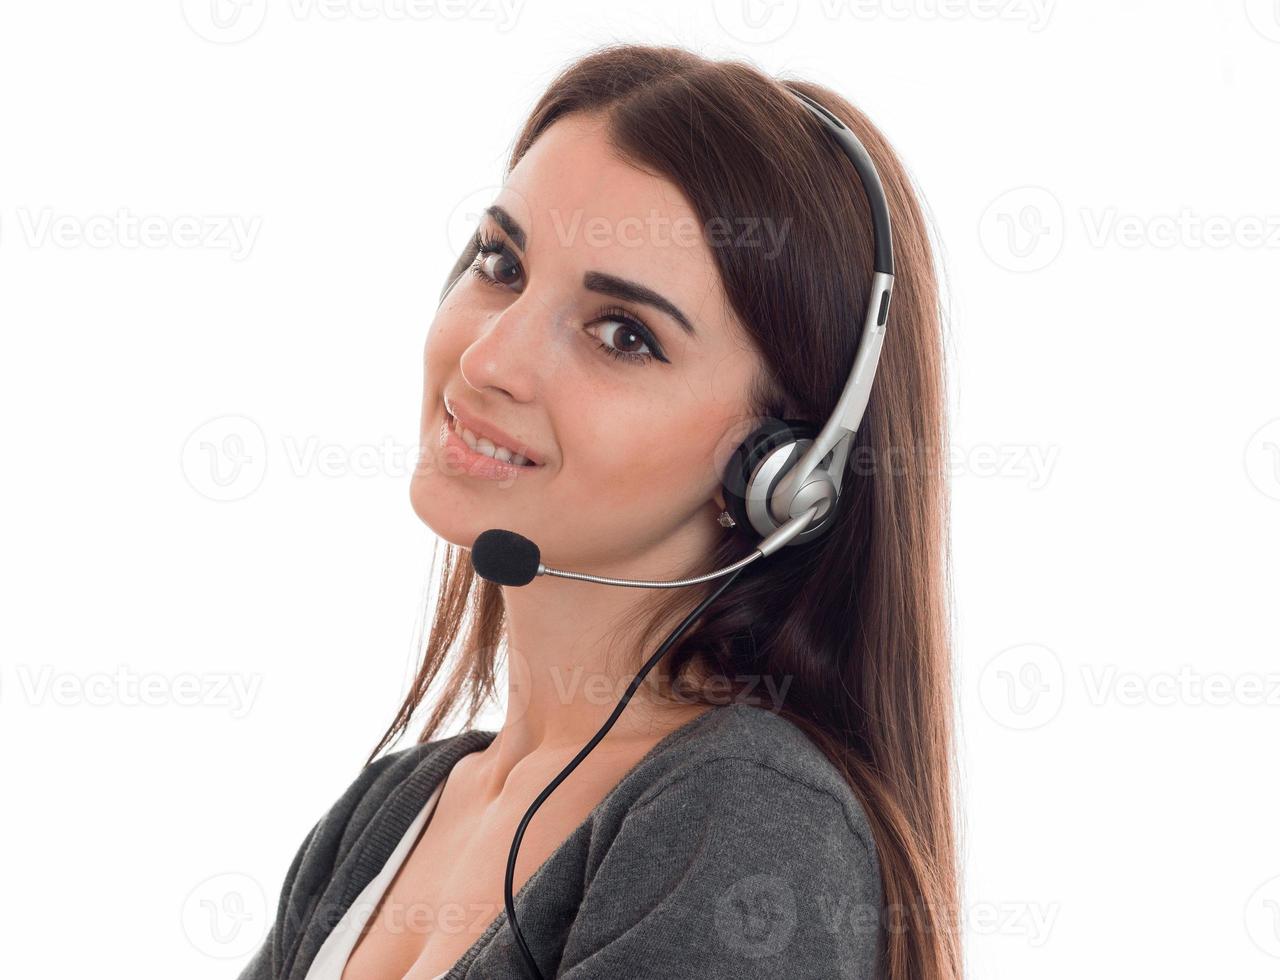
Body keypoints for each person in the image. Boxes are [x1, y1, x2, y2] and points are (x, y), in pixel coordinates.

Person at [238, 41, 959, 980]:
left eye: (622, 335)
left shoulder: (741, 814)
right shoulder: (389, 814)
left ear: (781, 469)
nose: (490, 358)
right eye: (500, 263)